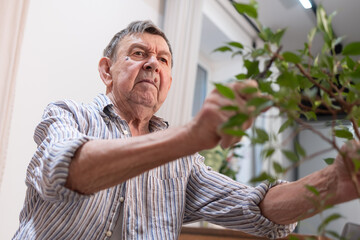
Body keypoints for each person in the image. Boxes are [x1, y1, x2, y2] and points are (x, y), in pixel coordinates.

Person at [13, 20, 359, 240]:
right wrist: (192, 134)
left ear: (169, 82)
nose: (153, 63)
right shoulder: (67, 114)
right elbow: (66, 170)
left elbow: (253, 208)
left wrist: (333, 182)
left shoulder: (183, 164)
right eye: (138, 53)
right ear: (107, 70)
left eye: (163, 60)